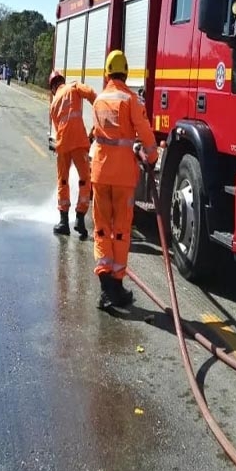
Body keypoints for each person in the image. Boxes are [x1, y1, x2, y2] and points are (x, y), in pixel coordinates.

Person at [90, 50, 158, 309]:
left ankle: (107, 287)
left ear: (107, 72)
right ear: (126, 72)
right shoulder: (131, 99)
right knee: (120, 230)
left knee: (101, 229)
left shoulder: (99, 100)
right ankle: (114, 286)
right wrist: (151, 157)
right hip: (123, 177)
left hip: (99, 172)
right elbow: (145, 132)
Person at [48, 70, 96, 240]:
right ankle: (80, 219)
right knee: (85, 180)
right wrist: (98, 118)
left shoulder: (53, 104)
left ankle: (63, 223)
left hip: (63, 145)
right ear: (62, 81)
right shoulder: (74, 87)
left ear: (53, 87)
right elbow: (92, 94)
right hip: (79, 143)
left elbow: (56, 126)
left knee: (63, 181)